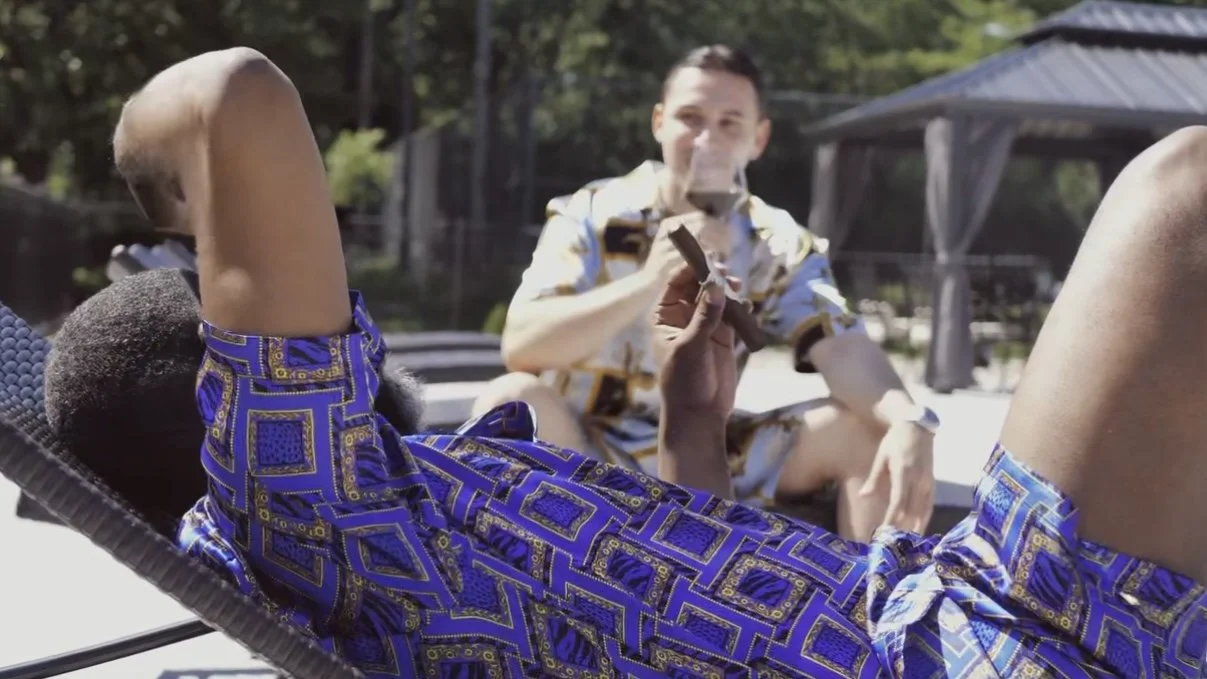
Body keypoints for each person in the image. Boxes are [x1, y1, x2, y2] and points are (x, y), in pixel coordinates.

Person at [88, 47, 1206, 678]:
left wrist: (690, 424)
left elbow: (658, 620)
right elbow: (234, 91)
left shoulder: (390, 504)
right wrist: (163, 171)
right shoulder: (298, 498)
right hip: (961, 650)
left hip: (924, 613)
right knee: (1181, 197)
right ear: (228, 398)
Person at [474, 45, 936, 540]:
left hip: (714, 452)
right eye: (690, 118)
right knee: (511, 398)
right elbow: (521, 341)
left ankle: (869, 612)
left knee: (870, 428)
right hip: (588, 445)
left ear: (758, 139)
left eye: (729, 123)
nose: (706, 140)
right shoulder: (593, 212)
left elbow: (841, 344)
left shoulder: (775, 240)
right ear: (659, 123)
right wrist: (649, 280)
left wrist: (910, 418)